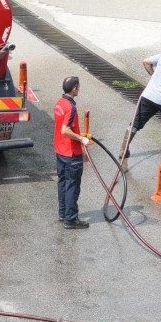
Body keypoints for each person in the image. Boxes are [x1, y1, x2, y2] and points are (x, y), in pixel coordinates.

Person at [54, 76, 92, 230]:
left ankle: (63, 213)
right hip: (71, 153)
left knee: (62, 182)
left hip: (60, 150)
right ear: (75, 88)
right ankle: (70, 219)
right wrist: (81, 139)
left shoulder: (59, 103)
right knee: (72, 186)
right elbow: (65, 130)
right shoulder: (71, 108)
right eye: (78, 86)